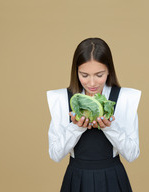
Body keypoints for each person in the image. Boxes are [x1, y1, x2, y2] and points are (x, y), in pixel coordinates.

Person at [47, 37, 141, 192]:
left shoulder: (125, 98)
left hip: (113, 178)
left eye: (99, 75)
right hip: (76, 179)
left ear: (109, 70)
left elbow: (132, 154)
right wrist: (76, 128)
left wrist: (109, 128)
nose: (92, 83)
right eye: (84, 75)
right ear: (76, 71)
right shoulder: (61, 99)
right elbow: (55, 155)